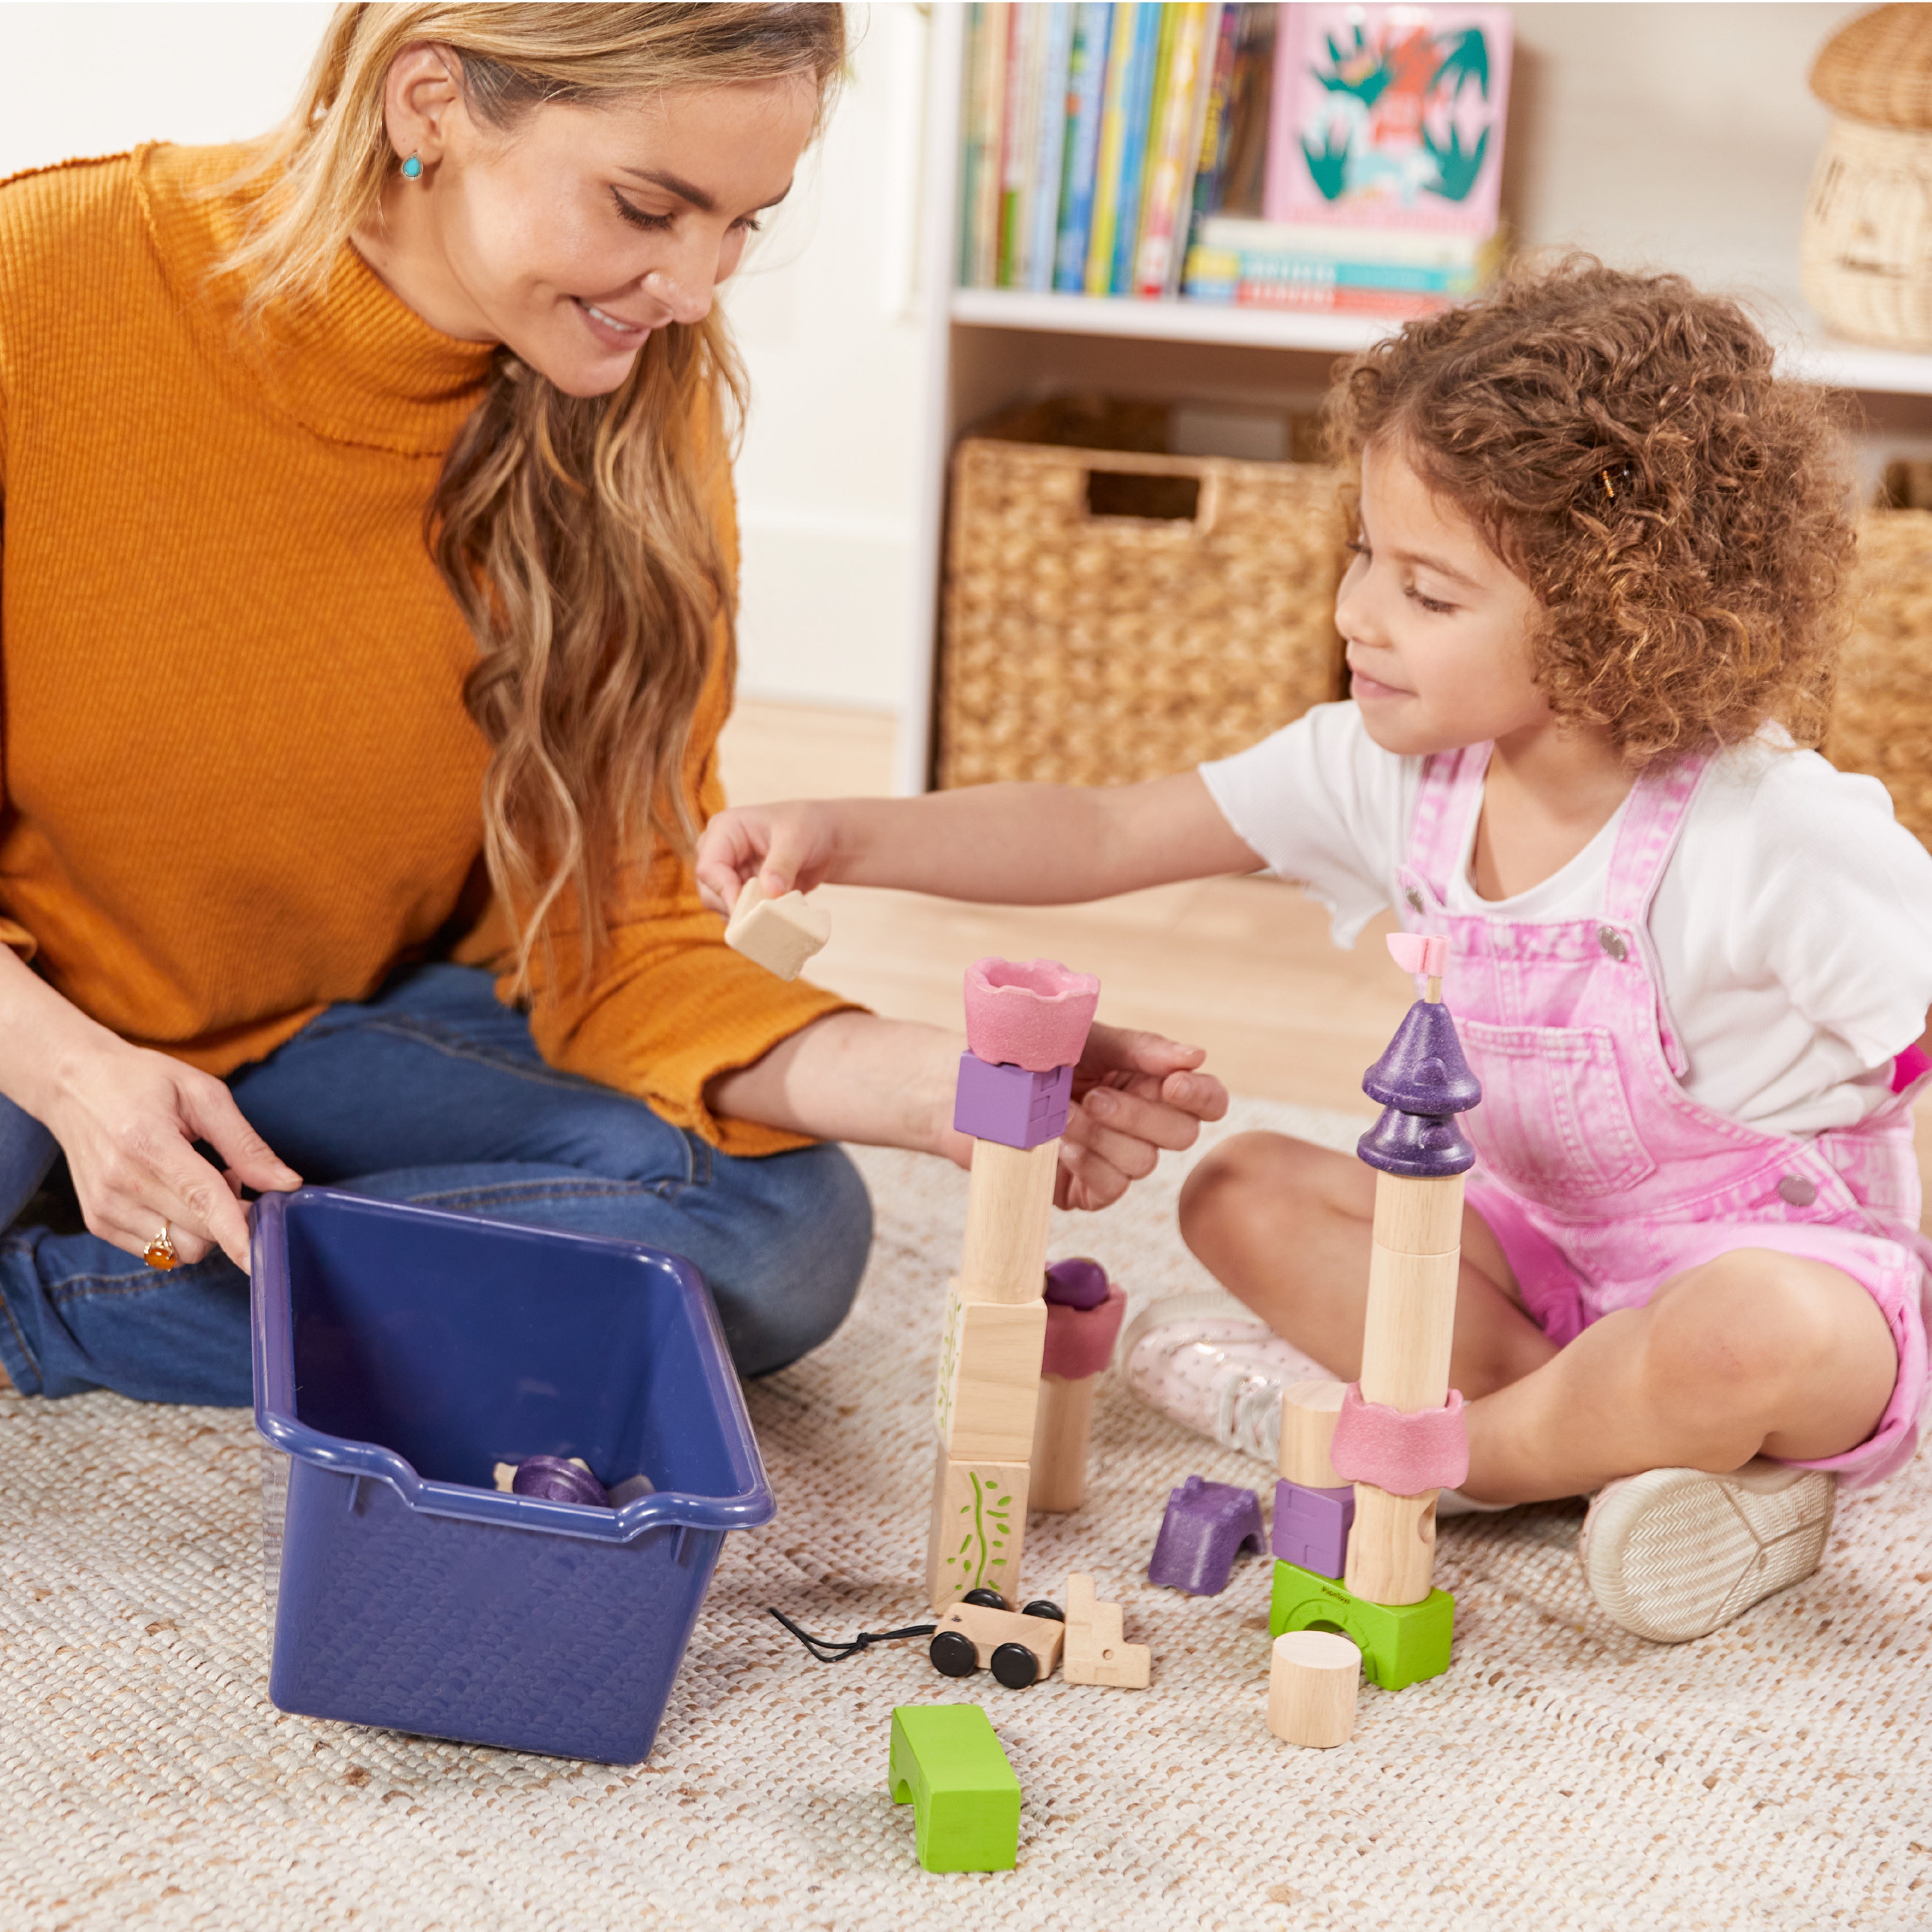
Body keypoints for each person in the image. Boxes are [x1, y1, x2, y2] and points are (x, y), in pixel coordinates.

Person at [0, 3, 1224, 1407]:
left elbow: (628, 927)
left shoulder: (633, 399)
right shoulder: (44, 284)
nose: (693, 288)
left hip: (303, 1034)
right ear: (429, 105)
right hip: (27, 1017)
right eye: (648, 209)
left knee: (776, 1234)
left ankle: (48, 1309)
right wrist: (77, 1077)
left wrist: (967, 1090)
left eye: (743, 224)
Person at [697, 259, 1932, 1641]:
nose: (1356, 612)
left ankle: (1465, 1458)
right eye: (1363, 554)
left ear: (1614, 622)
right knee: (1239, 1190)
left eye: (1428, 594)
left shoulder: (1777, 834)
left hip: (1774, 1273)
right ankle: (1625, 1452)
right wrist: (841, 834)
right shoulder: (1389, 768)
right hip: (1534, 1261)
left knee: (1756, 1335)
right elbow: (1106, 830)